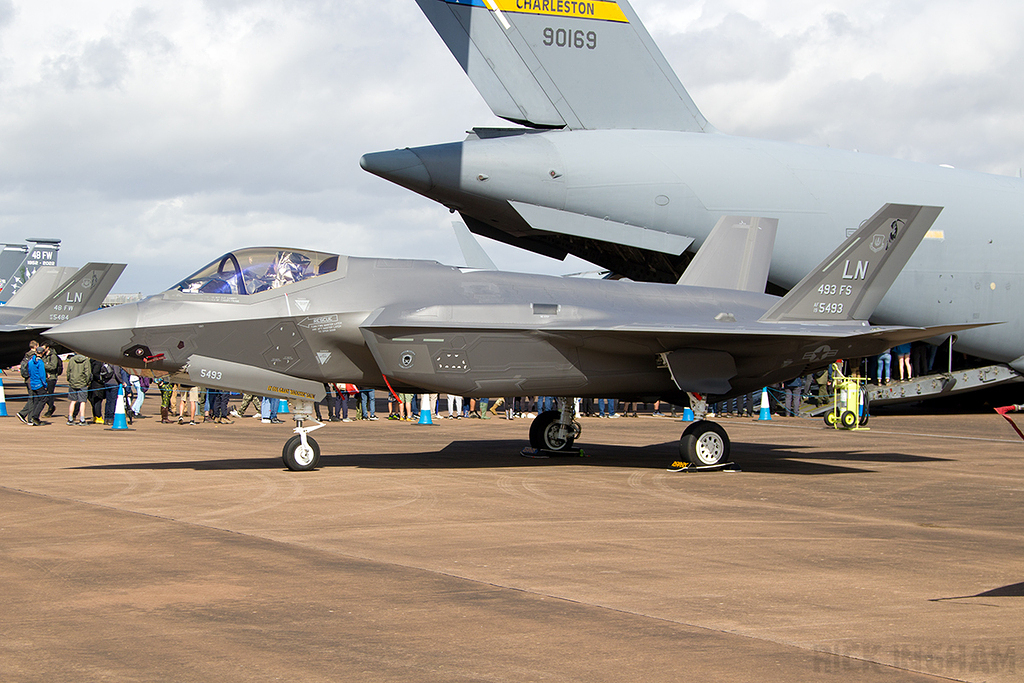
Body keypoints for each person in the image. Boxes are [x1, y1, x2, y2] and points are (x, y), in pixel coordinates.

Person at [65, 353, 93, 425]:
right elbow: (88, 373)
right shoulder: (86, 361)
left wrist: (69, 379)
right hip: (82, 383)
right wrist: (87, 382)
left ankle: (70, 418)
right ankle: (82, 419)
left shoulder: (71, 360)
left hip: (73, 382)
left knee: (73, 401)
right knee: (82, 401)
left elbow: (68, 371)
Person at [24, 345, 48, 425]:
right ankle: (35, 417)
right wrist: (45, 384)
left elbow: (29, 372)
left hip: (32, 383)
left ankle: (31, 417)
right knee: (43, 399)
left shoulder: (31, 361)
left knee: (35, 401)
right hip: (39, 384)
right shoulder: (40, 362)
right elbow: (42, 375)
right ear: (42, 353)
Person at [16, 340, 39, 423]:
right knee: (33, 398)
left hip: (27, 379)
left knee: (32, 397)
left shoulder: (26, 355)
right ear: (36, 346)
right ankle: (29, 417)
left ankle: (24, 414)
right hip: (32, 379)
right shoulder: (33, 356)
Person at [41, 343, 62, 418]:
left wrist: (42, 365)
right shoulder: (43, 356)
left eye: (43, 348)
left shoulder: (53, 356)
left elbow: (53, 366)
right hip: (45, 377)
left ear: (48, 348)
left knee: (49, 394)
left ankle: (50, 409)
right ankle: (51, 406)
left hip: (51, 378)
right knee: (42, 393)